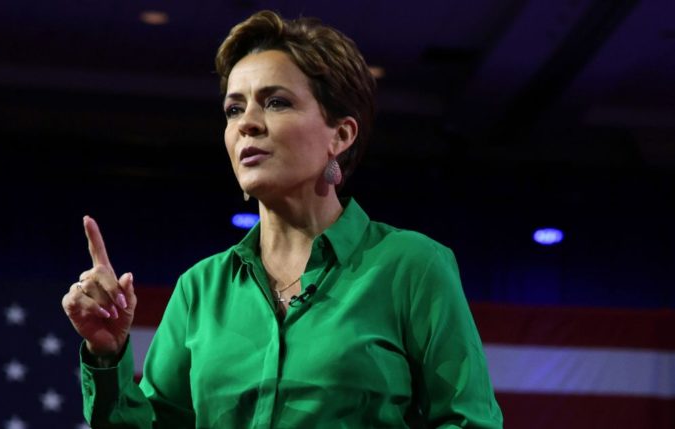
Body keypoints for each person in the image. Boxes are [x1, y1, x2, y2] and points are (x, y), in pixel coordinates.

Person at [62, 9, 503, 429]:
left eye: (275, 102)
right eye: (234, 109)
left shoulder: (412, 267)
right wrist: (108, 354)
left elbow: (469, 420)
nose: (247, 124)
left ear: (341, 134)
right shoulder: (199, 288)